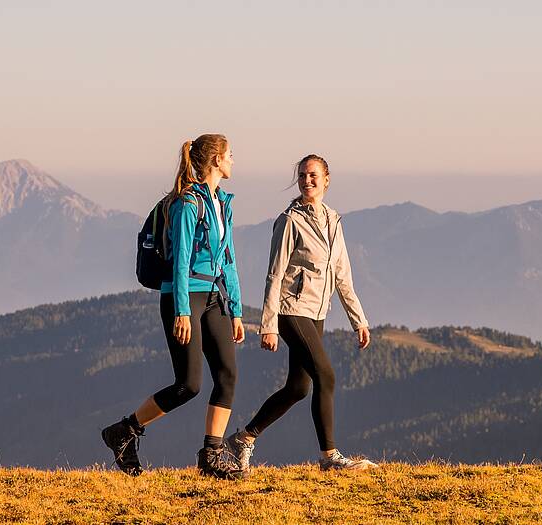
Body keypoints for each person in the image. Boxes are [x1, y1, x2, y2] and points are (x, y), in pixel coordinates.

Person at [101, 133, 248, 479]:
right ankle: (124, 432)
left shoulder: (220, 201)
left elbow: (228, 259)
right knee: (189, 385)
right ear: (214, 160)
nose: (233, 160)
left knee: (228, 375)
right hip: (184, 297)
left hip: (214, 298)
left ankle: (211, 455)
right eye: (229, 154)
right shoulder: (187, 204)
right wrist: (182, 310)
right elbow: (181, 260)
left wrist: (237, 310)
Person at [225, 154, 379, 472]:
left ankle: (243, 439)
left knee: (298, 388)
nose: (307, 181)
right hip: (290, 310)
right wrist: (268, 325)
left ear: (326, 180)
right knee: (327, 376)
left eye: (313, 176)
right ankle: (329, 458)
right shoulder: (290, 221)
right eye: (302, 176)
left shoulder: (334, 221)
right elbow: (275, 274)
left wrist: (358, 320)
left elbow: (343, 276)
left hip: (317, 313)